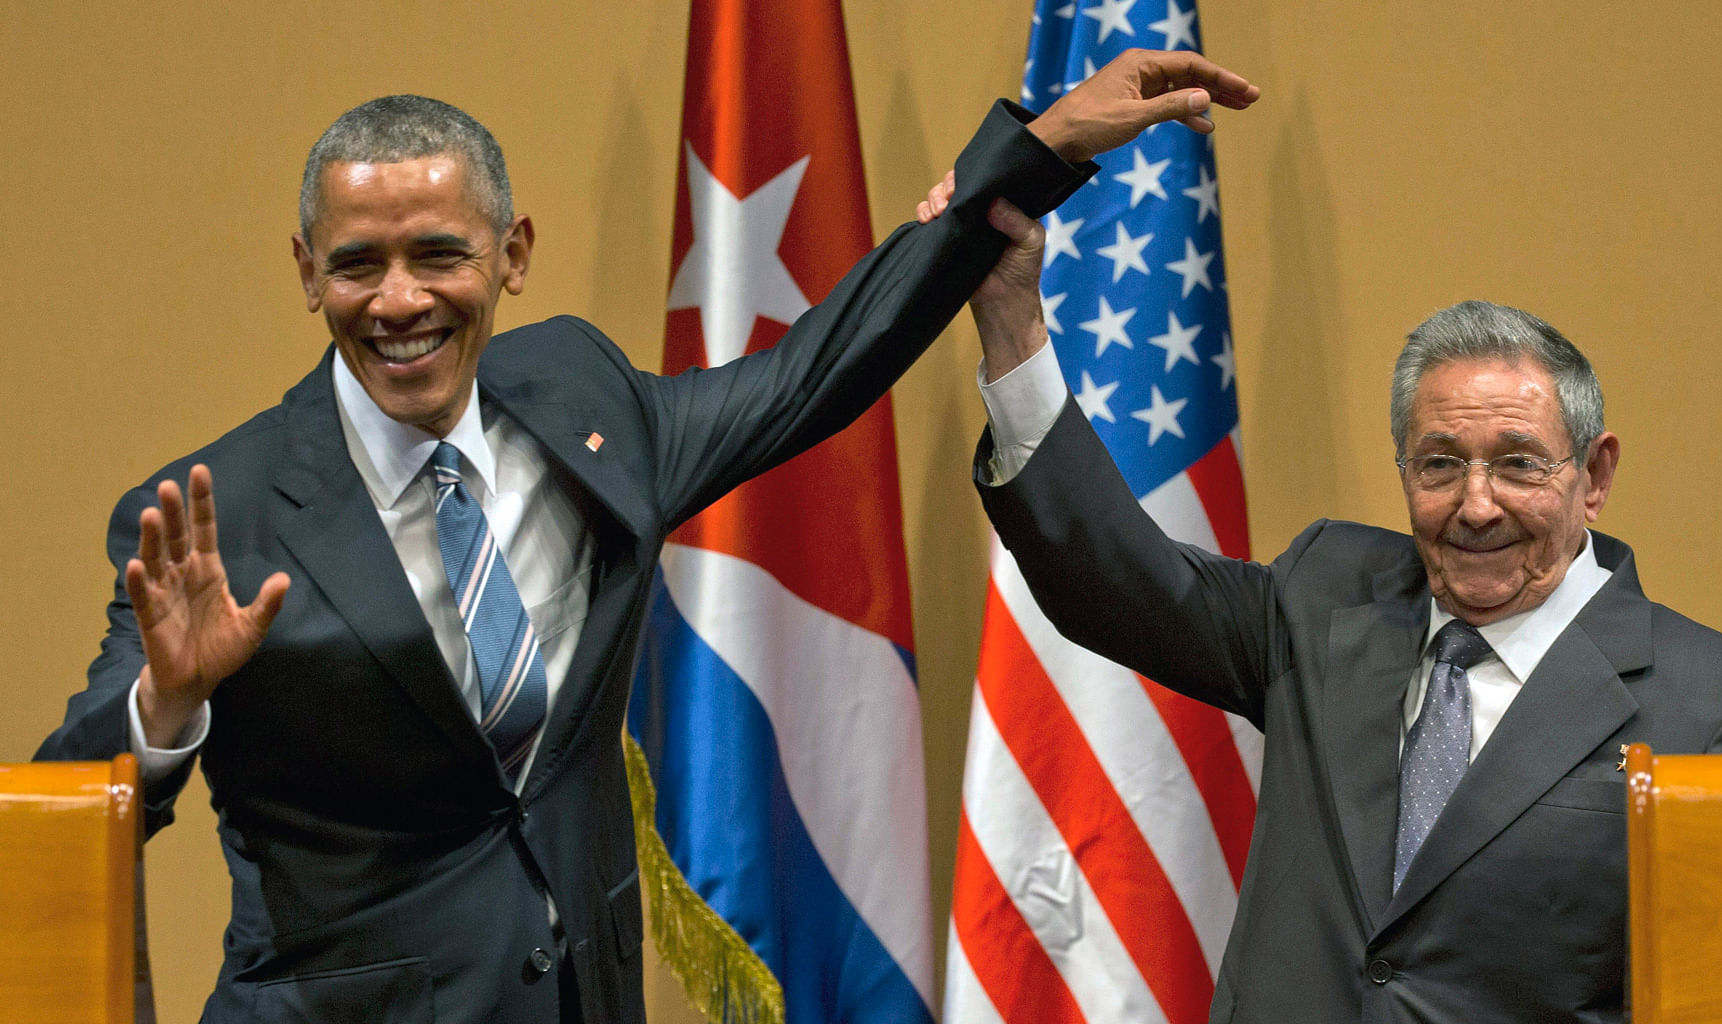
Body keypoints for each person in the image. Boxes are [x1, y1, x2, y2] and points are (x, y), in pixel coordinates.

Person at [35, 52, 1260, 1024]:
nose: (398, 299)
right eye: (358, 264)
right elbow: (64, 802)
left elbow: (810, 374)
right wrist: (165, 702)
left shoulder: (582, 401)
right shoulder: (216, 513)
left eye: (438, 255)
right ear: (306, 272)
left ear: (511, 257)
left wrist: (1038, 150)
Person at [926, 192, 1722, 1022]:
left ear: (1595, 475)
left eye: (1520, 463)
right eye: (1438, 463)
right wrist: (1011, 325)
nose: (1477, 503)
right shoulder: (1327, 595)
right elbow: (1122, 583)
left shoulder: (1719, 708)